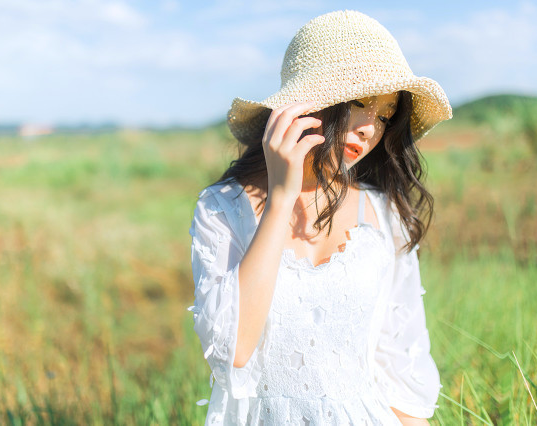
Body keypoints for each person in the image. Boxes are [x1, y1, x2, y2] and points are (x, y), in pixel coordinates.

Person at [188, 10, 452, 425]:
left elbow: (404, 372)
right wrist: (279, 200)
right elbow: (233, 350)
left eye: (384, 115)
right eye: (360, 102)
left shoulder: (383, 213)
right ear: (308, 103)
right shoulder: (222, 207)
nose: (370, 128)